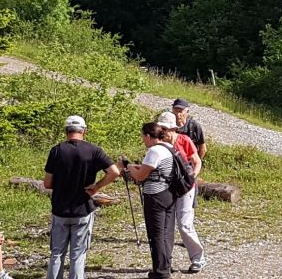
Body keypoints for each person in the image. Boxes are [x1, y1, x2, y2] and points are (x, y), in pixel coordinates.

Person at [42, 116, 121, 279]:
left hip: (60, 209)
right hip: (83, 208)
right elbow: (114, 172)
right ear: (84, 131)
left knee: (57, 253)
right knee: (78, 255)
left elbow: (47, 184)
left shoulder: (56, 150)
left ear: (66, 132)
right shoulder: (93, 150)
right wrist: (97, 186)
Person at [123, 122, 179, 279]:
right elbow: (149, 168)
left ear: (148, 136)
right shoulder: (169, 148)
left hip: (155, 195)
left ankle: (160, 272)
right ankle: (166, 265)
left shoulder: (153, 151)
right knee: (167, 232)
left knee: (156, 234)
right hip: (169, 193)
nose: (142, 139)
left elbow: (140, 176)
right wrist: (135, 166)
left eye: (143, 136)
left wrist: (128, 166)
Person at [154, 110, 205, 272]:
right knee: (167, 225)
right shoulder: (159, 143)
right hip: (167, 188)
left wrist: (192, 178)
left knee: (184, 224)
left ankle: (198, 258)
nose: (163, 132)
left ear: (173, 129)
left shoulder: (184, 140)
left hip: (185, 187)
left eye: (166, 129)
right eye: (161, 128)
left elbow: (197, 161)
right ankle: (166, 262)